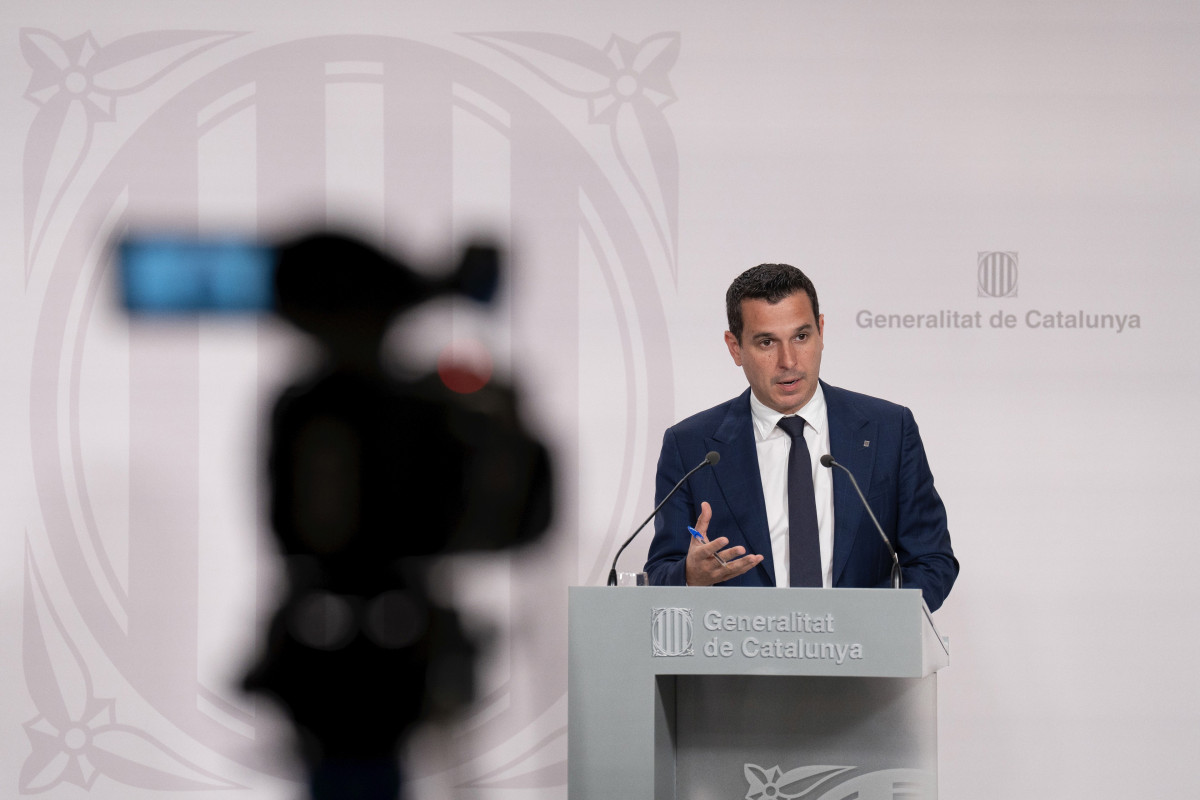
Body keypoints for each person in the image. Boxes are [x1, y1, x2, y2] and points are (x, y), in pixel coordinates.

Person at [643, 264, 958, 611]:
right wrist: (689, 576)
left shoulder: (889, 430)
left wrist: (881, 623)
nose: (788, 361)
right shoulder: (692, 446)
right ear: (735, 348)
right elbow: (659, 573)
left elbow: (932, 560)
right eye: (766, 342)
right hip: (742, 657)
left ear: (821, 331)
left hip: (861, 656)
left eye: (801, 336)